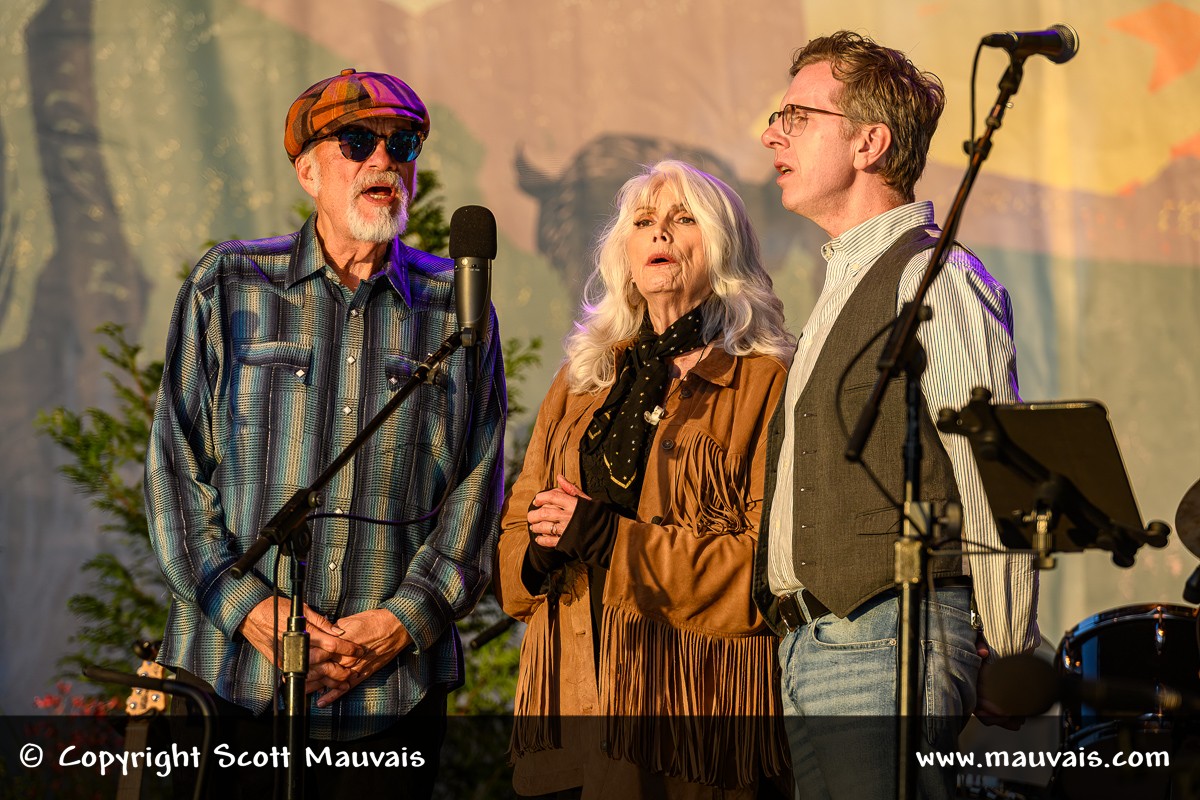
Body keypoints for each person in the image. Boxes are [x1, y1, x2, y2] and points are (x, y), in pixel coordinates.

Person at [144, 68, 506, 797]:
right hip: (231, 684)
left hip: (390, 697)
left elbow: (479, 486)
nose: (384, 160)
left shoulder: (455, 311)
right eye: (356, 141)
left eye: (401, 142)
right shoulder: (230, 284)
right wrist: (256, 612)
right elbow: (174, 475)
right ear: (307, 169)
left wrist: (400, 624)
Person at [753, 31, 1039, 799]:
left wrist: (1010, 643)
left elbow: (991, 463)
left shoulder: (932, 276)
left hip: (888, 637)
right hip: (815, 646)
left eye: (797, 116)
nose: (772, 133)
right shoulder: (840, 287)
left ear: (870, 142)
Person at [496, 160, 794, 798]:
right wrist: (541, 547)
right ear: (623, 255)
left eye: (684, 219)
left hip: (693, 714)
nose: (661, 233)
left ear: (722, 250)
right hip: (572, 700)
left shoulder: (764, 381)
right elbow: (519, 525)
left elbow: (764, 569)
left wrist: (609, 539)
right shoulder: (583, 380)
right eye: (644, 222)